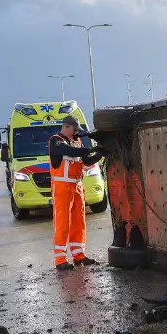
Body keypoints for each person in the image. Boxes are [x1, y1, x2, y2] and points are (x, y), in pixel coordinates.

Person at [49, 115, 105, 270]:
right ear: (66, 126)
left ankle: (79, 254)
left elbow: (85, 161)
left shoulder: (76, 141)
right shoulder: (55, 140)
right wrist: (90, 149)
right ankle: (60, 258)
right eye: (74, 130)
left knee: (78, 221)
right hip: (62, 187)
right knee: (62, 222)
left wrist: (99, 154)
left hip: (77, 186)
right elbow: (68, 151)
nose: (76, 134)